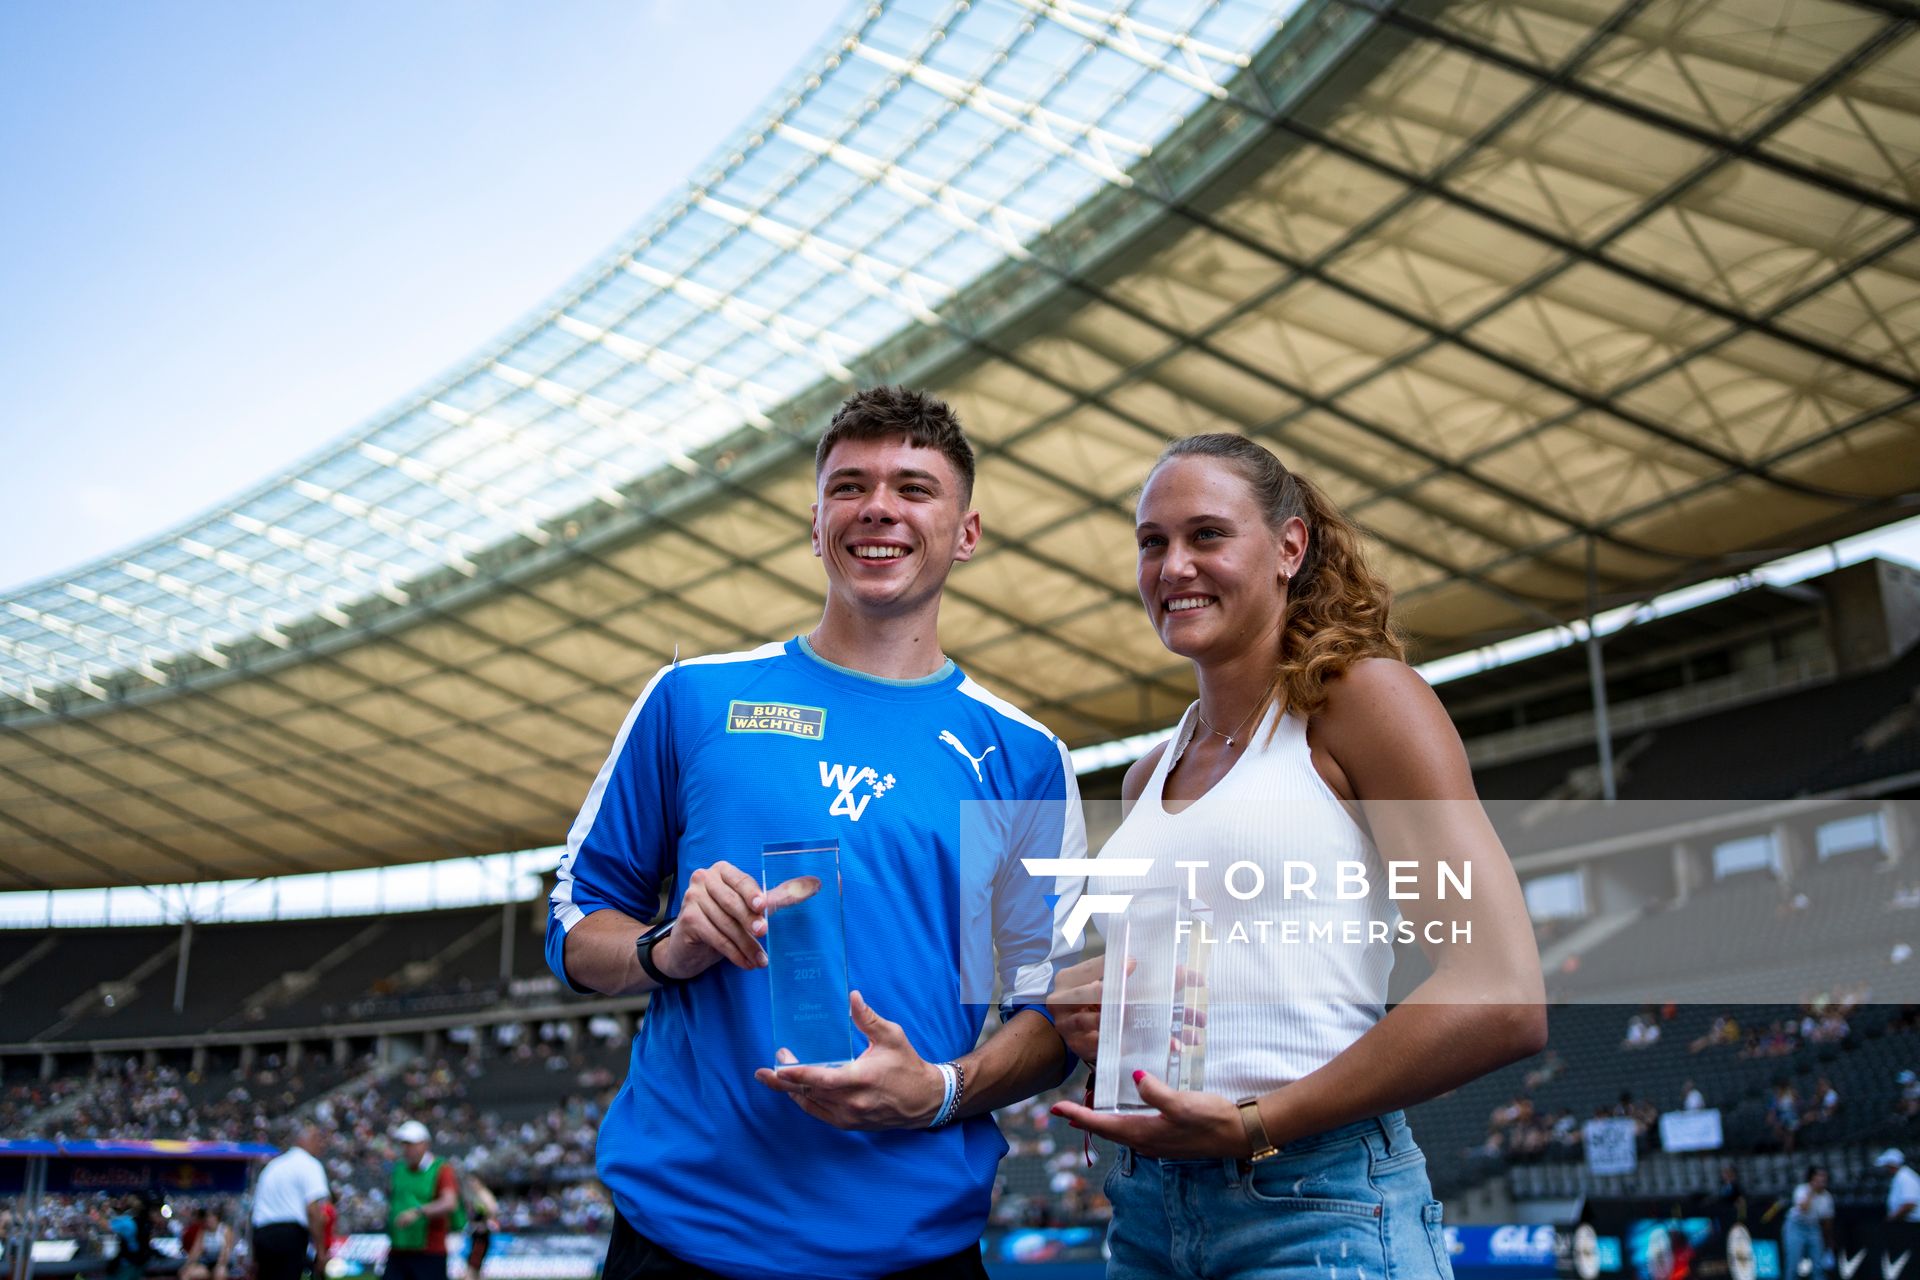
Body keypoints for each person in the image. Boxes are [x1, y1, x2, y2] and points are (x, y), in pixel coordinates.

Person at [545, 387, 1086, 1279]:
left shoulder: (1022, 756)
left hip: (915, 1250)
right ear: (815, 522)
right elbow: (574, 919)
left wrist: (936, 1093)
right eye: (850, 487)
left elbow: (1050, 1014)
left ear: (968, 530)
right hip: (682, 1243)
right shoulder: (693, 698)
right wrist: (664, 949)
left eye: (914, 488)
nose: (879, 507)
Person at [1046, 433, 1546, 1278]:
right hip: (1144, 1216)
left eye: (1207, 535)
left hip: (1315, 1207)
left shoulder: (1363, 703)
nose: (1173, 567)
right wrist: (1104, 1006)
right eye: (1152, 542)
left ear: (1289, 546)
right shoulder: (1145, 778)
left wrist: (1255, 1122)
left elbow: (1501, 993)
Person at [385, 1119, 463, 1280]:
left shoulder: (442, 1169)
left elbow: (449, 1202)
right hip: (399, 1249)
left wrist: (418, 1212)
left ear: (425, 1144)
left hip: (429, 1251)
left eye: (411, 1144)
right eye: (404, 1144)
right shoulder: (399, 1169)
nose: (406, 1149)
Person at [252, 1124, 330, 1280]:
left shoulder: (273, 1166)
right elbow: (313, 1210)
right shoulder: (310, 1164)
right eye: (318, 1139)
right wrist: (321, 1252)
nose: (321, 1145)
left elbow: (255, 1209)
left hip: (262, 1234)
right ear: (306, 1140)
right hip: (289, 1235)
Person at [1783, 1165, 1834, 1280]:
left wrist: (1828, 1240)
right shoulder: (1801, 1189)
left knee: (1818, 1265)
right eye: (1819, 1176)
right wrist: (1812, 1191)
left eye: (1824, 1177)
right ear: (1812, 1178)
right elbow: (1803, 1208)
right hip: (1796, 1226)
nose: (1822, 1180)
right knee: (1793, 1263)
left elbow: (1827, 1221)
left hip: (1814, 1228)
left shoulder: (1827, 1197)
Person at [179, 1206, 236, 1280]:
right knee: (187, 1273)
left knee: (219, 1274)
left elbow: (225, 1252)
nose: (208, 1220)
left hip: (223, 1263)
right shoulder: (202, 1232)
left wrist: (218, 1266)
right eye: (207, 1218)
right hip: (207, 1264)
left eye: (211, 1217)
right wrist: (186, 1266)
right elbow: (195, 1251)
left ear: (217, 1218)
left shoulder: (225, 1230)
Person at [462, 1175, 498, 1279]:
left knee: (473, 1266)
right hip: (476, 1235)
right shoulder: (476, 1196)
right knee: (475, 1267)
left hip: (481, 1236)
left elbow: (493, 1210)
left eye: (473, 1182)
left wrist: (485, 1223)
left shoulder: (484, 1195)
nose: (471, 1185)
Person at [1879, 1149, 1920, 1221]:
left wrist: (1892, 1218)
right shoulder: (1900, 1176)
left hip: (1912, 1224)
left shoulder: (1906, 1177)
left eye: (1886, 1166)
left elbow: (1909, 1204)